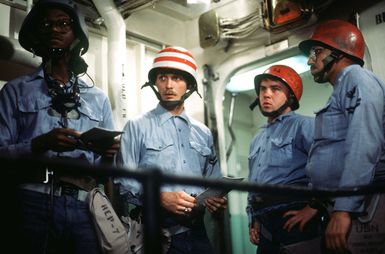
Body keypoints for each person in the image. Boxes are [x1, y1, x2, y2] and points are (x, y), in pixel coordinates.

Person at [0, 0, 119, 253]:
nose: (54, 29)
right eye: (46, 25)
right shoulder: (15, 91)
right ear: (37, 35)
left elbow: (103, 173)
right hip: (31, 201)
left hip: (86, 206)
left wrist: (109, 157)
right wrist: (40, 143)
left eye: (63, 23)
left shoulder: (98, 98)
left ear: (77, 33)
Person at [115, 46, 227, 254]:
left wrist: (215, 199)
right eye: (162, 77)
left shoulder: (203, 132)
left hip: (199, 231)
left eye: (176, 78)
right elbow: (124, 182)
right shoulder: (136, 126)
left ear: (190, 85)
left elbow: (213, 180)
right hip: (156, 233)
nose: (168, 85)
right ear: (154, 83)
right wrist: (158, 197)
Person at [299, 19, 385, 252]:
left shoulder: (356, 78)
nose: (310, 60)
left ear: (338, 53)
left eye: (316, 51)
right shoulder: (342, 89)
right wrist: (319, 204)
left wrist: (344, 209)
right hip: (344, 204)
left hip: (365, 207)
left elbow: (364, 146)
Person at [247, 65, 322, 253]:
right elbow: (253, 183)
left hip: (295, 218)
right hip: (264, 225)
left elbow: (327, 168)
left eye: (275, 89)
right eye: (263, 89)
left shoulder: (305, 126)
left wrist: (314, 207)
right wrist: (253, 219)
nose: (266, 94)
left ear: (290, 96)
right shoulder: (257, 139)